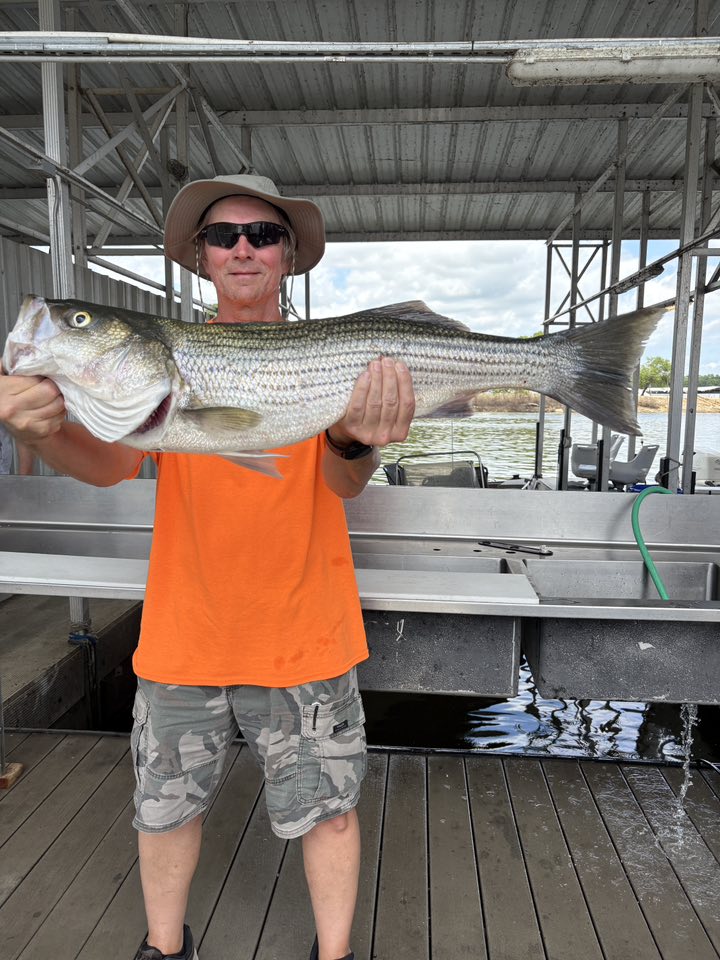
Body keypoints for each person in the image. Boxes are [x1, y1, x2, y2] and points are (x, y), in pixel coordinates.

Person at [0, 173, 416, 960]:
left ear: (288, 255)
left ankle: (336, 956)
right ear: (201, 256)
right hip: (186, 633)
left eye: (263, 234)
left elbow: (343, 480)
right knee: (164, 810)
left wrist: (358, 439)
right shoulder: (155, 366)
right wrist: (43, 428)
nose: (243, 248)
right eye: (224, 235)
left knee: (328, 810)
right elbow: (103, 466)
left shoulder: (339, 361)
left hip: (304, 632)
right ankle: (165, 950)